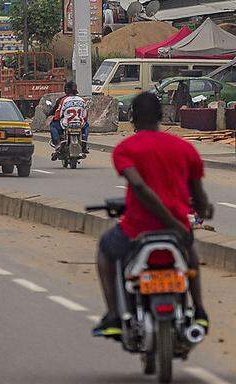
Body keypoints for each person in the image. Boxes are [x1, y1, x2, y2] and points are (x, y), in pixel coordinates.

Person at [92, 91, 213, 338]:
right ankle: (199, 310)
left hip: (136, 230)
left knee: (105, 249)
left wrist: (169, 220)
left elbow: (139, 187)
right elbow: (198, 194)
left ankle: (114, 315)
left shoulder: (126, 149)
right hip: (178, 230)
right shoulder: (184, 148)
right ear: (161, 116)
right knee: (190, 256)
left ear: (132, 117)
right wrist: (202, 209)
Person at [49, 80, 90, 155]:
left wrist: (55, 119)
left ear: (66, 90)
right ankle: (84, 142)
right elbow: (85, 115)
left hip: (66, 124)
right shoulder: (82, 100)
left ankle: (57, 144)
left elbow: (58, 114)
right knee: (87, 126)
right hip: (79, 124)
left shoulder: (63, 100)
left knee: (53, 126)